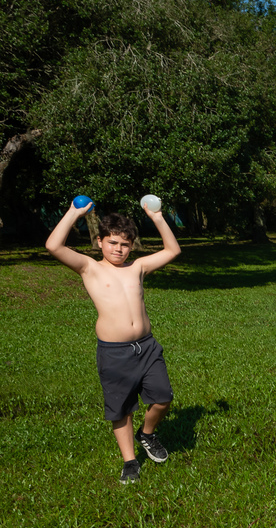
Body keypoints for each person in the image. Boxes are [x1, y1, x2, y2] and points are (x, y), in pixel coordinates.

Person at [46, 198, 181, 483]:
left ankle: (147, 434)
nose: (118, 249)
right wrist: (74, 212)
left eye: (124, 244)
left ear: (132, 246)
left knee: (163, 397)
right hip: (115, 352)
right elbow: (53, 246)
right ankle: (130, 461)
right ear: (99, 242)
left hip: (147, 347)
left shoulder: (138, 267)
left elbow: (173, 250)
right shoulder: (89, 268)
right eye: (112, 243)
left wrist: (156, 217)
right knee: (121, 407)